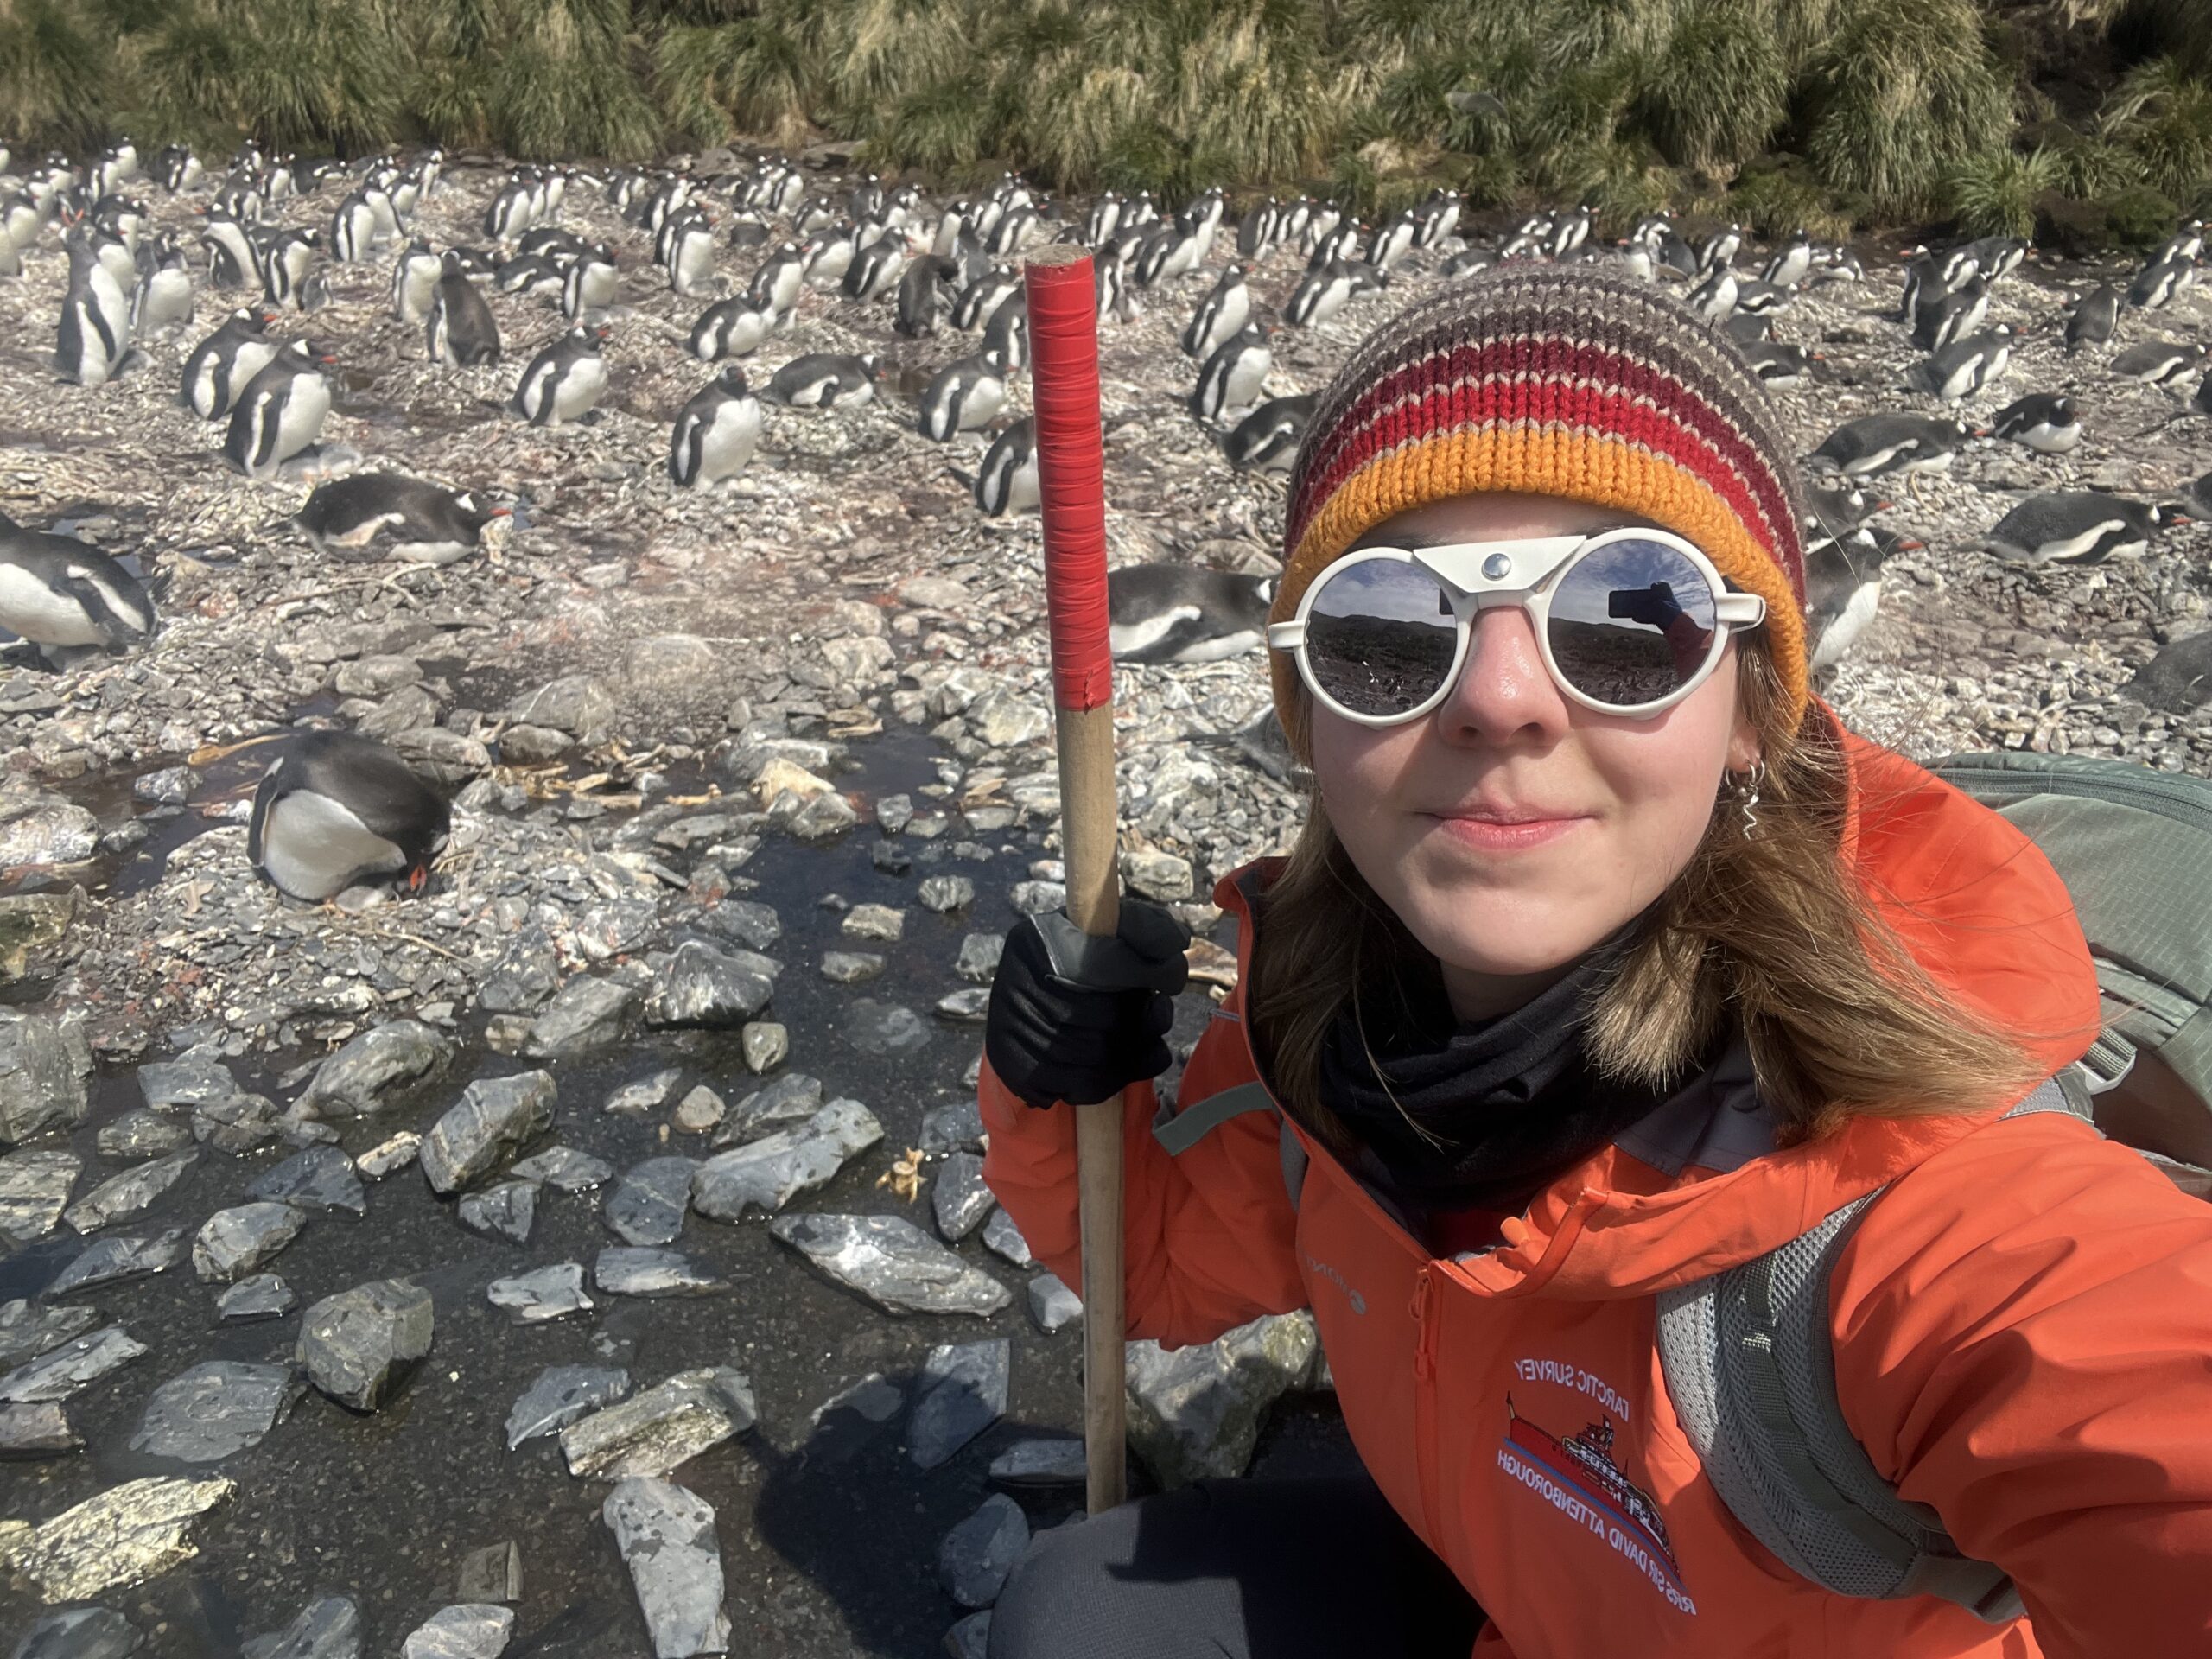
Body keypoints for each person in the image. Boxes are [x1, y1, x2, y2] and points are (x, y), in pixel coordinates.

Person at [976, 266, 2212, 1658]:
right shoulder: (1333, 1043)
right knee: (1081, 1615)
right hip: (1516, 1598)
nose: (1501, 698)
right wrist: (1053, 1087)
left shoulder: (1907, 1202)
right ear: (1308, 720)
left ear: (1753, 715)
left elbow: (2135, 1402)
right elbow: (1150, 1261)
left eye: (1633, 616)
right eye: (1388, 631)